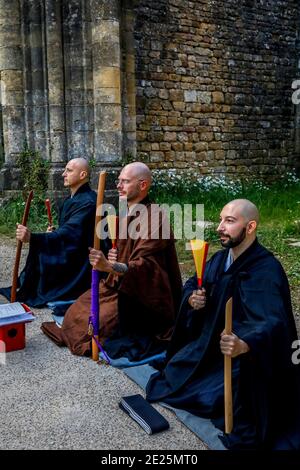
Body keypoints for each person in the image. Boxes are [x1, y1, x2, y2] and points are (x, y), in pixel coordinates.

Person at [146, 199, 300, 450]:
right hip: (209, 346)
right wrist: (193, 300)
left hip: (243, 360)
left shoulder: (266, 269)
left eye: (229, 221)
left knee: (210, 398)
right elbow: (191, 287)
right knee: (174, 371)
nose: (220, 227)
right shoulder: (218, 259)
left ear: (250, 227)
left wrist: (245, 343)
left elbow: (275, 321)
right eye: (220, 219)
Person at [41, 162, 183, 360]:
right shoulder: (126, 214)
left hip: (143, 297)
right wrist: (111, 259)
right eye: (118, 181)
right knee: (75, 312)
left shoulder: (156, 218)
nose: (118, 186)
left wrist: (109, 266)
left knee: (90, 328)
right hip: (118, 284)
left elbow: (147, 267)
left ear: (143, 185)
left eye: (125, 182)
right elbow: (123, 255)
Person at [0, 158, 98, 308]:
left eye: (69, 171)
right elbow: (68, 231)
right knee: (43, 249)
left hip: (81, 258)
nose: (63, 174)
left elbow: (71, 233)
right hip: (72, 247)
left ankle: (40, 288)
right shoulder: (73, 199)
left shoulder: (88, 202)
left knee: (44, 253)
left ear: (83, 174)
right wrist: (52, 234)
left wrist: (33, 237)